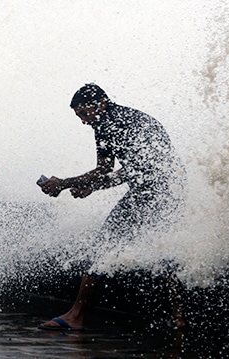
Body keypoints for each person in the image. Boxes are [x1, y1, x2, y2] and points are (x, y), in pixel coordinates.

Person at [38, 83, 186, 331]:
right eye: (79, 117)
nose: (84, 121)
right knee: (166, 249)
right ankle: (178, 318)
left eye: (85, 114)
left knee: (103, 244)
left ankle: (77, 316)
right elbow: (111, 170)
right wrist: (91, 187)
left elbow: (126, 171)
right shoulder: (113, 121)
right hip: (172, 187)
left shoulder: (116, 122)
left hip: (155, 190)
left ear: (101, 103)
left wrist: (63, 183)